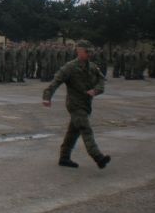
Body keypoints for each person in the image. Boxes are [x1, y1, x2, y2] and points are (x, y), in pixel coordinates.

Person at [42, 40, 111, 169]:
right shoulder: (70, 67)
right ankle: (98, 157)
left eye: (91, 52)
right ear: (79, 51)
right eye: (87, 51)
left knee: (73, 132)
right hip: (75, 104)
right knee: (85, 128)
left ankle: (64, 158)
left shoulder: (92, 66)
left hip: (86, 104)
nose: (90, 54)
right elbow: (56, 81)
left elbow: (101, 80)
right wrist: (47, 97)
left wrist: (96, 90)